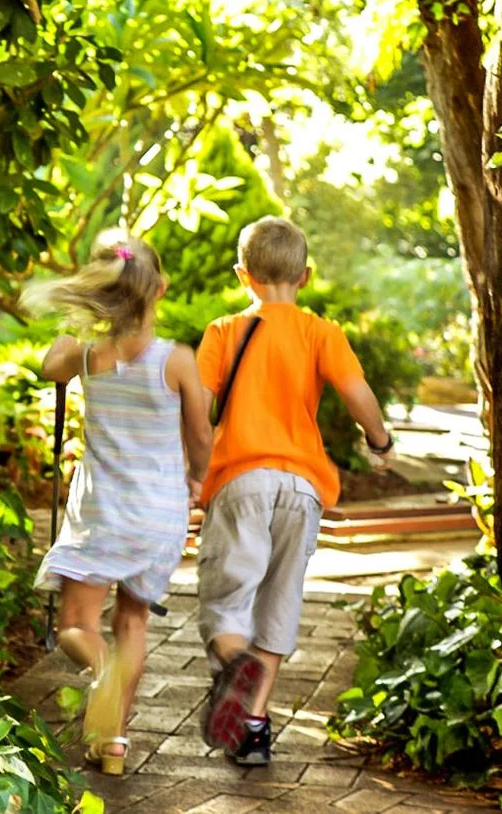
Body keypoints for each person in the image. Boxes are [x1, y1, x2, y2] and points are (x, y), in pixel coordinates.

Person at [195, 216, 394, 766]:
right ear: (305, 276)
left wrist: (189, 465)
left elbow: (194, 403)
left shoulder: (222, 332)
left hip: (242, 480)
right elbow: (357, 392)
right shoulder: (321, 333)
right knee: (278, 603)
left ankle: (235, 663)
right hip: (303, 488)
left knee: (225, 602)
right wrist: (380, 440)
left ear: (243, 275)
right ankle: (254, 726)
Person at [24, 230, 212, 776]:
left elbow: (48, 362)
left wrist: (82, 321)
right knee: (132, 625)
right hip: (159, 514)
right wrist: (198, 480)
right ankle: (113, 745)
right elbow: (200, 437)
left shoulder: (90, 355)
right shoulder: (176, 360)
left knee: (76, 627)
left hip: (103, 512)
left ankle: (103, 675)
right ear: (161, 289)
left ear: (103, 296)